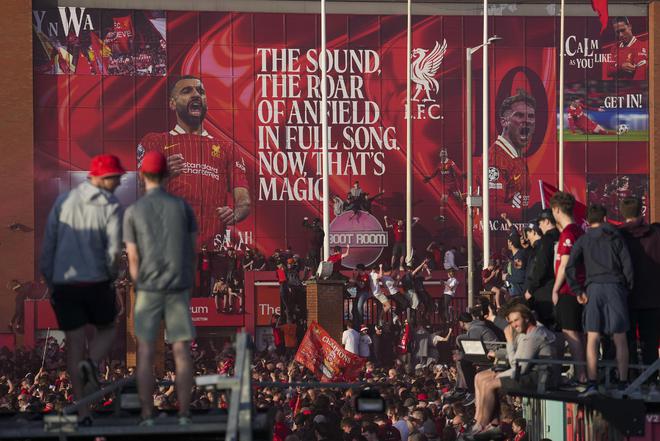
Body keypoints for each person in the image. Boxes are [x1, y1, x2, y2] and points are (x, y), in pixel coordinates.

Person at [40, 154, 125, 424]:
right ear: (103, 178)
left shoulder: (63, 201)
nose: (118, 183)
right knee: (108, 328)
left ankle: (84, 412)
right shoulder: (110, 204)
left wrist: (51, 282)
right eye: (116, 178)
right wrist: (112, 277)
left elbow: (48, 247)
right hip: (95, 280)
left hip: (64, 283)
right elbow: (113, 251)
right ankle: (93, 362)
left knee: (74, 344)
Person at [123, 151, 198, 426]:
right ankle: (184, 413)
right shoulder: (183, 208)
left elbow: (133, 259)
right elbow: (192, 252)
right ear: (168, 175)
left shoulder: (133, 212)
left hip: (148, 288)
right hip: (177, 286)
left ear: (143, 176)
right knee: (181, 350)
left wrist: (139, 287)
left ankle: (147, 414)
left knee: (144, 352)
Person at [136, 75, 251, 248]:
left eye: (200, 91)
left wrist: (236, 213)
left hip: (212, 252)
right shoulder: (155, 141)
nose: (196, 95)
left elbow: (244, 201)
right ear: (172, 103)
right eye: (186, 91)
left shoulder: (227, 149)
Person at [566, 204, 634, 397]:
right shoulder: (615, 237)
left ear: (588, 220)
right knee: (620, 337)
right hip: (615, 287)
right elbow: (627, 265)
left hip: (593, 288)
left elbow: (570, 266)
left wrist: (578, 290)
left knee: (593, 337)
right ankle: (623, 383)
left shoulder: (584, 239)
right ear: (604, 218)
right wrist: (626, 289)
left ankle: (592, 383)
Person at [471, 304, 557, 433]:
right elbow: (517, 359)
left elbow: (518, 367)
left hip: (540, 377)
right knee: (480, 377)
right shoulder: (527, 332)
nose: (513, 325)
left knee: (489, 384)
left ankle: (481, 425)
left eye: (516, 320)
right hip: (531, 371)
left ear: (526, 318)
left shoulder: (532, 336)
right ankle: (478, 420)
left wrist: (510, 341)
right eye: (511, 322)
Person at [475, 89, 535, 221]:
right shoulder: (495, 159)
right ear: (504, 122)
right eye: (519, 115)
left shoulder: (515, 157)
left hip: (513, 230)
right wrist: (530, 214)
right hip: (498, 233)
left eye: (531, 116)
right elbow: (492, 208)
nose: (527, 121)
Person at [549, 191, 587, 383]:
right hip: (578, 289)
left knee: (571, 332)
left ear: (556, 209)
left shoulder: (569, 232)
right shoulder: (579, 231)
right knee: (579, 333)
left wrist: (556, 288)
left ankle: (581, 374)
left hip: (569, 290)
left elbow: (565, 264)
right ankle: (584, 373)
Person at [618, 197, 660, 366]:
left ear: (622, 213)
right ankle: (651, 378)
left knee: (627, 343)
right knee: (650, 343)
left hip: (626, 297)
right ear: (641, 211)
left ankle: (630, 375)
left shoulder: (618, 236)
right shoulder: (656, 235)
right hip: (652, 296)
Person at [524, 209, 559, 329]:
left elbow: (541, 266)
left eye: (540, 223)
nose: (539, 226)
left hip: (544, 290)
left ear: (547, 221)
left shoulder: (547, 240)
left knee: (543, 328)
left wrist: (531, 289)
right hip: (559, 287)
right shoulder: (562, 236)